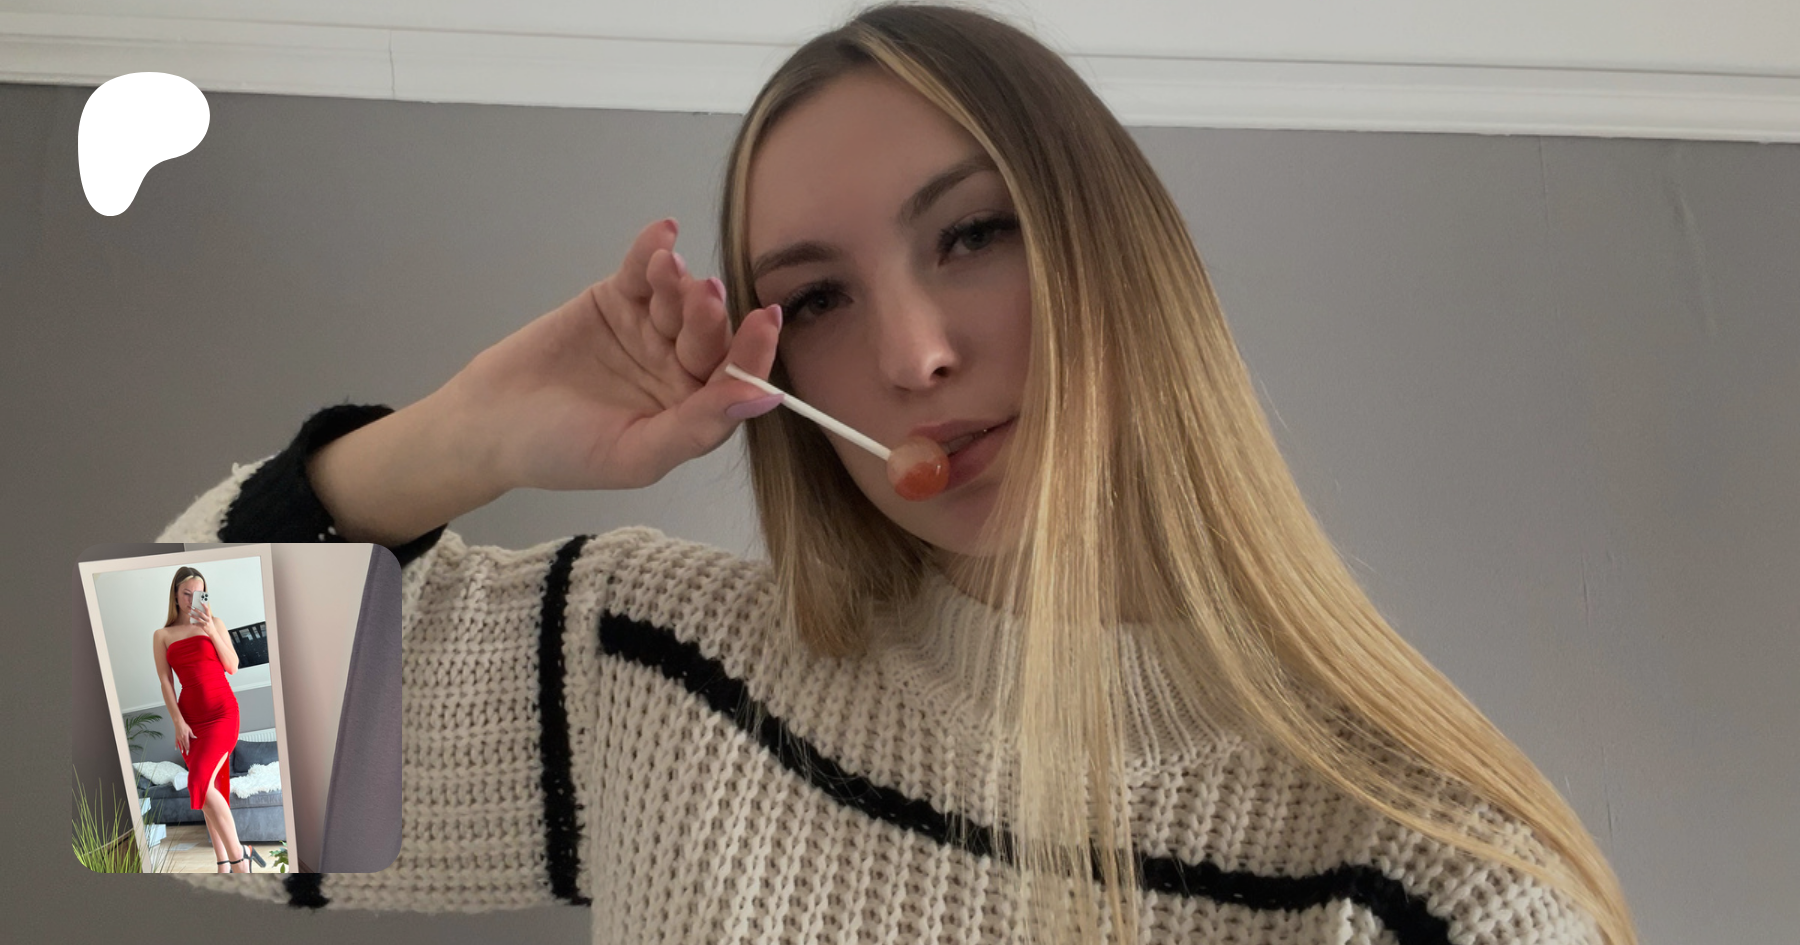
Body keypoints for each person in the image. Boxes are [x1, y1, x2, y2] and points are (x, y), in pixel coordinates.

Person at [160, 3, 1635, 943]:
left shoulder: (1435, 889)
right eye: (817, 299)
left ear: (1118, 254)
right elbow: (178, 783)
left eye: (974, 234)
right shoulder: (663, 675)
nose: (915, 354)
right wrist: (466, 435)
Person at [152, 567, 263, 873]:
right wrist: (178, 722)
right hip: (190, 720)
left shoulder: (215, 623)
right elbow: (165, 683)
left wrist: (211, 630)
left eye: (198, 593)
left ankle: (240, 857)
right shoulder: (162, 635)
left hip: (222, 713)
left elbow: (233, 666)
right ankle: (223, 864)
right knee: (209, 789)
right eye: (186, 593)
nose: (192, 600)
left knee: (198, 781)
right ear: (176, 595)